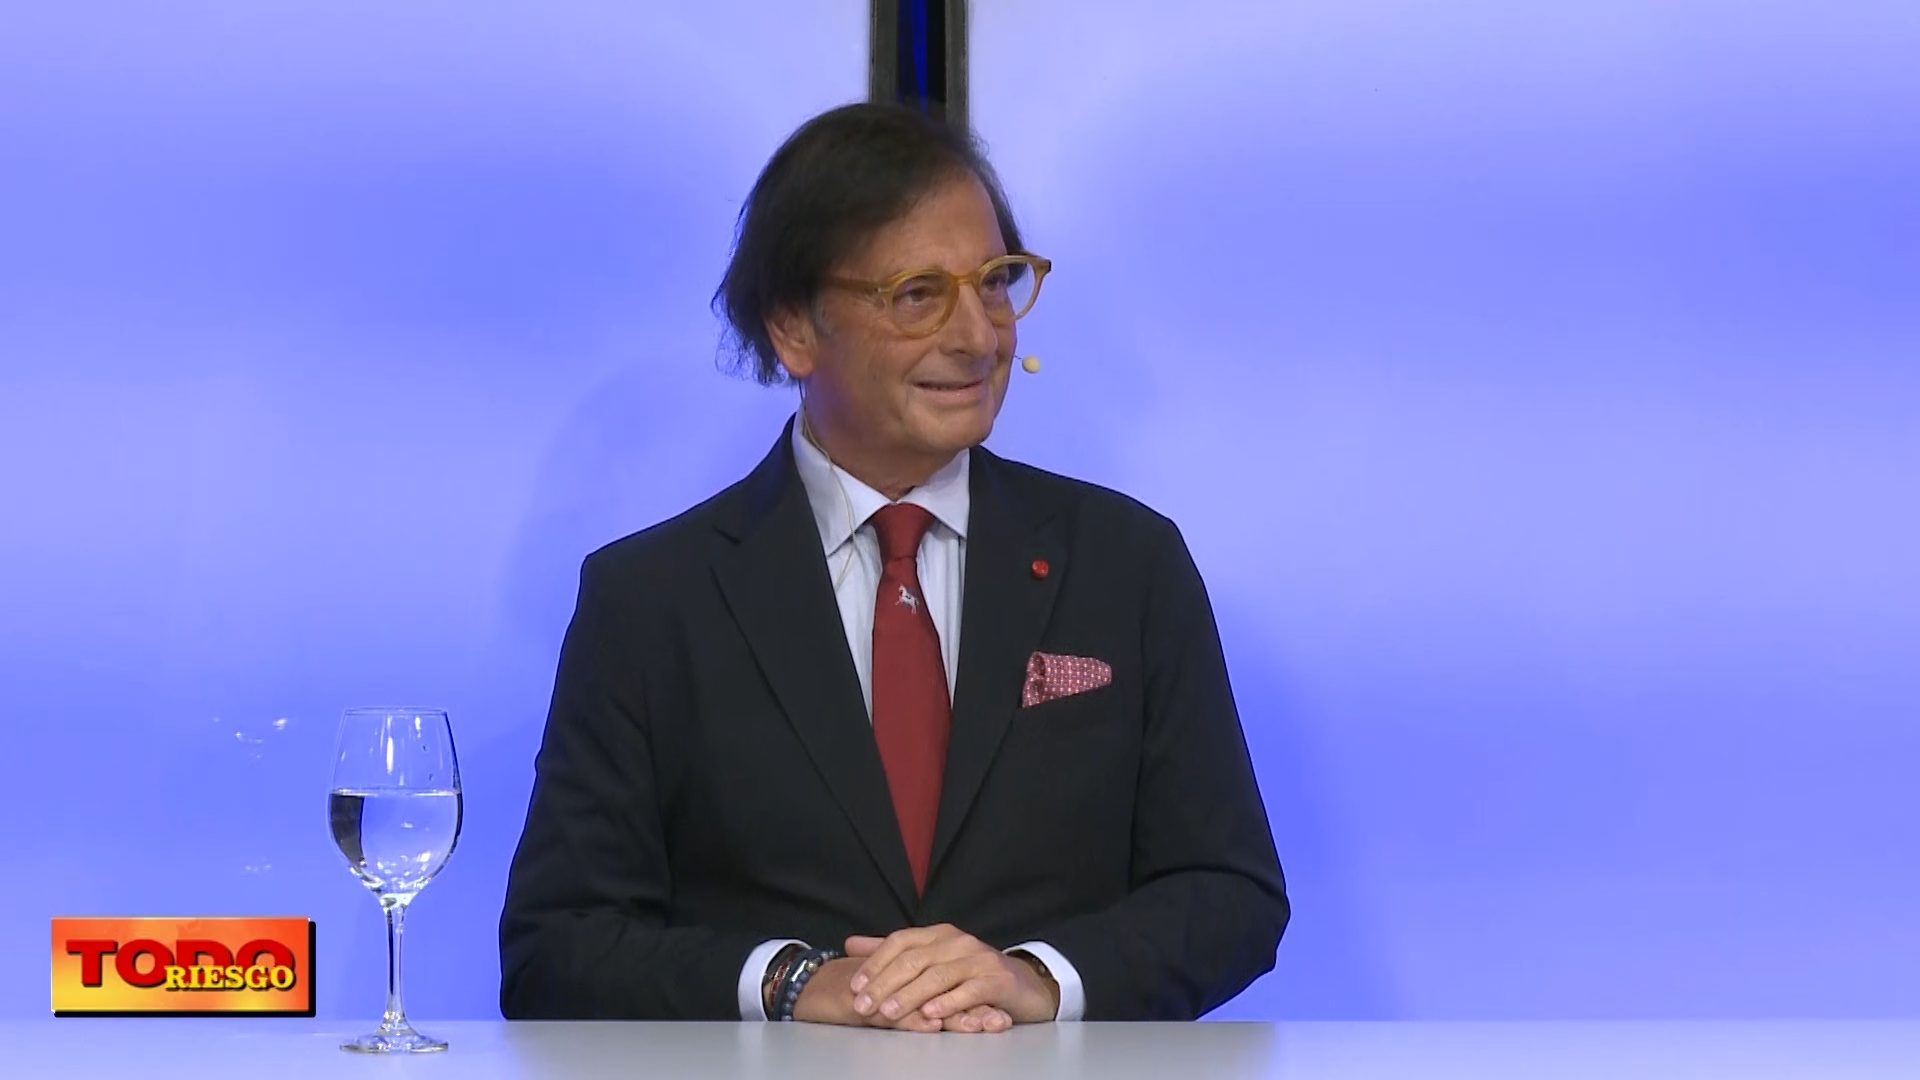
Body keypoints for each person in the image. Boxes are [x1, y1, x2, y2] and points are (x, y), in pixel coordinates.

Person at [499, 102, 1287, 1031]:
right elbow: (558, 949)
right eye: (919, 294)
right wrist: (793, 982)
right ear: (792, 327)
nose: (979, 337)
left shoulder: (1129, 563)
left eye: (995, 283)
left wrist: (1035, 979)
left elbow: (1230, 893)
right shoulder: (650, 600)